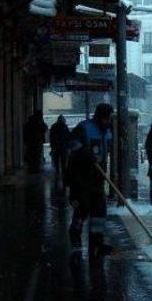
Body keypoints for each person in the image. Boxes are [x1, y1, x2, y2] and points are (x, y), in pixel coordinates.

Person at [65, 103, 114, 259]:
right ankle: (76, 241)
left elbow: (109, 148)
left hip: (97, 179)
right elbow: (71, 143)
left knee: (99, 211)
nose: (108, 120)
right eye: (107, 117)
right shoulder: (84, 127)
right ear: (100, 116)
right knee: (82, 210)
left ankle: (97, 243)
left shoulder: (107, 132)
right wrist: (84, 153)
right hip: (80, 178)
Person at [49, 115, 70, 185]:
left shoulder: (53, 127)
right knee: (63, 162)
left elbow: (51, 137)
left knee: (56, 163)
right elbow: (68, 136)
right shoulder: (64, 126)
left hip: (56, 147)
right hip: (63, 147)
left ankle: (57, 175)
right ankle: (63, 176)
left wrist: (52, 146)